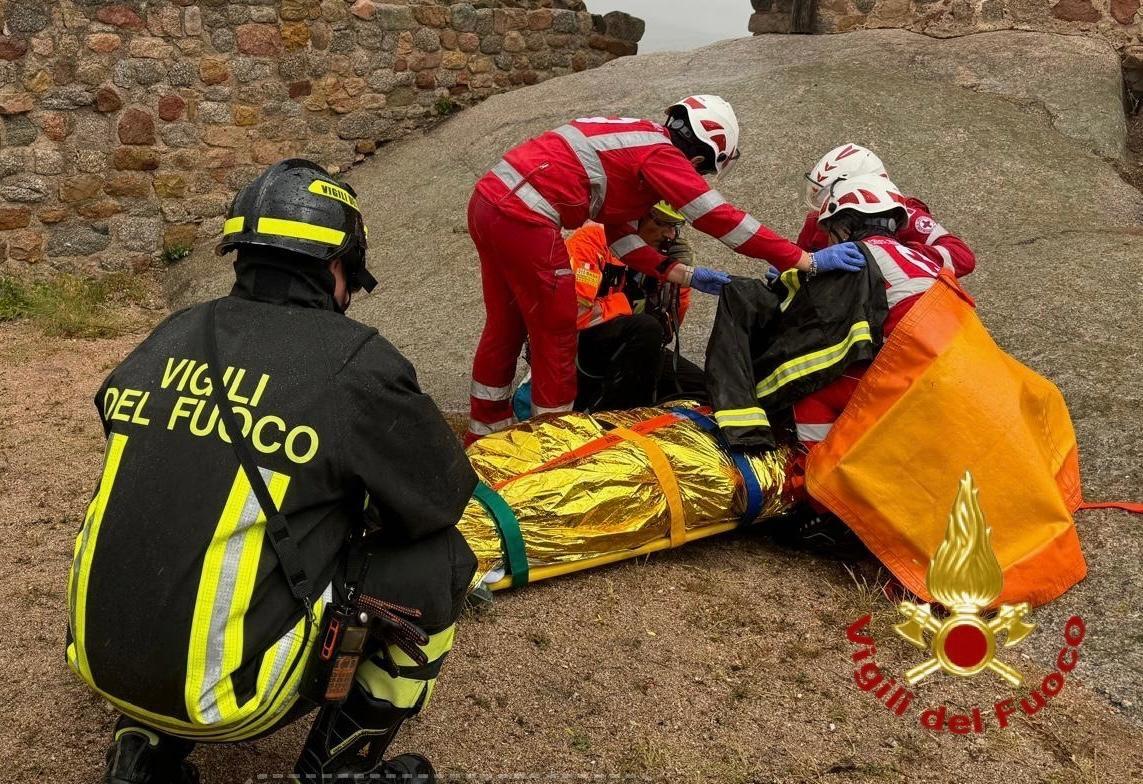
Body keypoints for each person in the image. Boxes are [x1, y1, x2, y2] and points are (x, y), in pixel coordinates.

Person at [66, 159, 476, 784]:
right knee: (440, 559)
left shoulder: (173, 332)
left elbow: (126, 424)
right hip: (233, 702)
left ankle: (143, 746)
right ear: (338, 265)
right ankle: (339, 764)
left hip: (99, 663)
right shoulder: (358, 362)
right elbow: (439, 498)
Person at [465, 95, 867, 444]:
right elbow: (720, 218)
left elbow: (621, 236)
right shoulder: (660, 153)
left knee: (505, 324)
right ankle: (552, 441)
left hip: (490, 203)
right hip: (526, 216)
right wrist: (804, 260)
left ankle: (484, 431)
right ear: (696, 158)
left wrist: (686, 276)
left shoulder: (632, 143)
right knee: (554, 332)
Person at [792, 174, 957, 449]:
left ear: (843, 228)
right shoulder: (923, 257)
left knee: (810, 391)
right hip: (957, 361)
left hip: (916, 375)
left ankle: (816, 478)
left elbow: (814, 325)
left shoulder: (852, 258)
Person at [568, 202, 708, 410]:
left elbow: (667, 329)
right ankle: (619, 419)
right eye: (663, 224)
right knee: (645, 327)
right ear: (635, 217)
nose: (670, 235)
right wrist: (624, 306)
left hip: (637, 344)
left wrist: (676, 276)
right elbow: (575, 314)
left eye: (675, 227)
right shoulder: (590, 240)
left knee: (705, 388)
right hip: (582, 350)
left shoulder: (664, 252)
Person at [797, 143, 976, 278]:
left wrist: (897, 254)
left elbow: (962, 257)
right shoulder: (817, 223)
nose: (822, 211)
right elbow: (797, 259)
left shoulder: (905, 215)